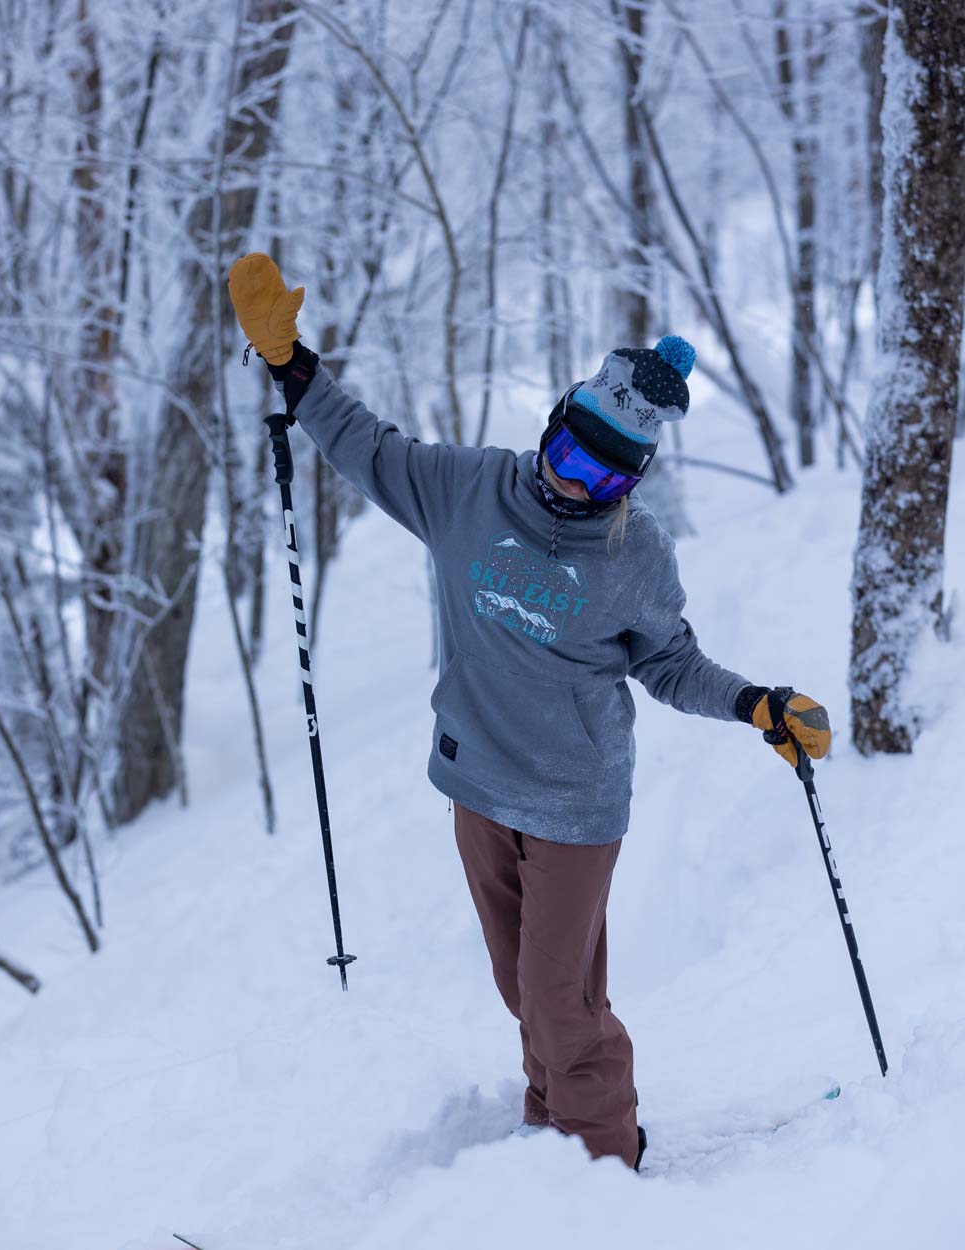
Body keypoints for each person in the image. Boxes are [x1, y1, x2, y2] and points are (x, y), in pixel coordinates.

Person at [227, 253, 832, 1172]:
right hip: (479, 784)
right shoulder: (468, 490)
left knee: (560, 998)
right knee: (527, 989)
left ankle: (599, 1165)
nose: (574, 480)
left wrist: (756, 704)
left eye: (603, 474)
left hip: (576, 802)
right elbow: (367, 446)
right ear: (552, 422)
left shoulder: (636, 556)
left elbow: (670, 664)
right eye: (568, 451)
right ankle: (550, 1131)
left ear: (631, 484)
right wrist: (291, 364)